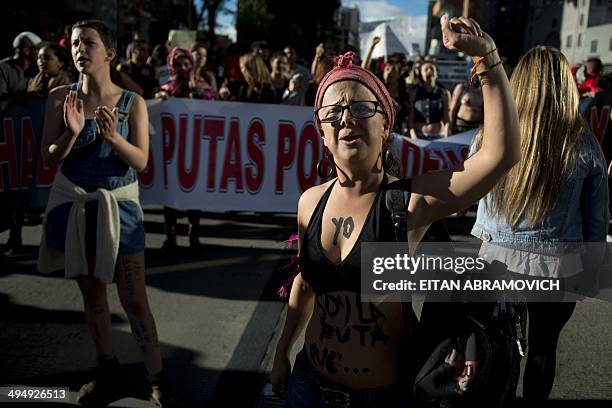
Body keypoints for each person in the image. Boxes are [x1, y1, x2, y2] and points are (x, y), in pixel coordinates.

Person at [271, 15, 520, 407]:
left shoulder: (410, 204)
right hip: (308, 388)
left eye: (361, 108)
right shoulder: (309, 202)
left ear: (386, 124)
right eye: (332, 114)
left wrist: (485, 57)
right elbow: (305, 284)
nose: (346, 118)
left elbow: (500, 156)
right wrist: (282, 351)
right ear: (321, 133)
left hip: (383, 398)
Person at [37, 20, 174, 407]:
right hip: (76, 206)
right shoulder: (59, 97)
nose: (80, 49)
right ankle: (107, 368)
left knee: (133, 298)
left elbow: (142, 161)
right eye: (76, 43)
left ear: (109, 53)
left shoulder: (133, 103)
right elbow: (50, 158)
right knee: (92, 294)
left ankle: (157, 376)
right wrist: (71, 133)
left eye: (89, 43)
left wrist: (114, 137)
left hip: (121, 207)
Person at [470, 46, 609, 406]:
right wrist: (590, 273)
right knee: (543, 349)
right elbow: (597, 221)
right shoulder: (583, 143)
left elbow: (471, 191)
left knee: (501, 348)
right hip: (559, 265)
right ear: (566, 86)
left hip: (497, 259)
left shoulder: (491, 134)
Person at [156, 47, 205, 250]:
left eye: (186, 64)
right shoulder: (165, 89)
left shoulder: (202, 87)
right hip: (172, 149)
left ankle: (194, 232)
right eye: (178, 64)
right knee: (170, 194)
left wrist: (200, 95)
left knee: (194, 193)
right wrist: (160, 99)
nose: (183, 68)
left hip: (195, 149)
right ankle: (171, 235)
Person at [0, 31, 42, 111]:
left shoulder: (35, 68)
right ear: (26, 51)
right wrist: (26, 95)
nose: (40, 52)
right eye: (37, 49)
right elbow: (2, 99)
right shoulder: (3, 68)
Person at [408, 61, 450, 140]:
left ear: (436, 74)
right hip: (418, 136)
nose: (429, 71)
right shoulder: (414, 92)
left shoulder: (444, 93)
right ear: (421, 74)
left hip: (438, 136)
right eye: (426, 69)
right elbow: (411, 117)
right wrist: (413, 136)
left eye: (432, 69)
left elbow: (447, 118)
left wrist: (446, 136)